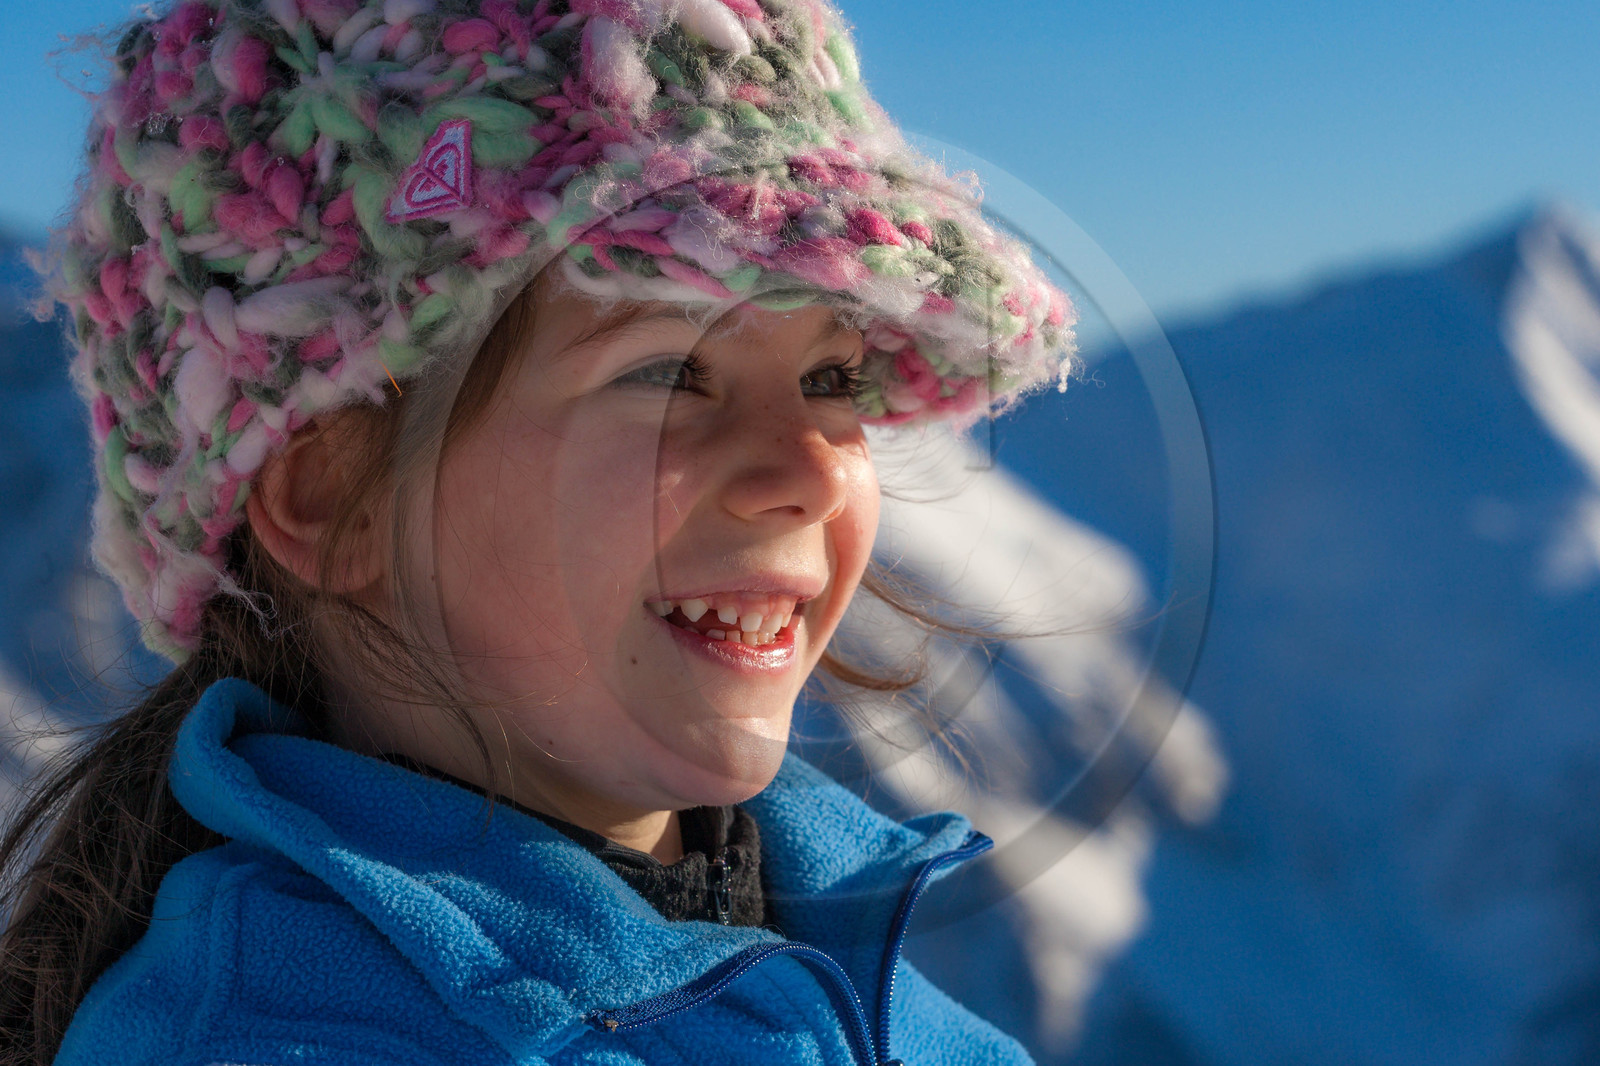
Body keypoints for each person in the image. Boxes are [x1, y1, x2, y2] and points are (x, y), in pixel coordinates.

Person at [0, 0, 1076, 1062]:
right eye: (669, 373)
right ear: (334, 499)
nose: (808, 471)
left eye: (830, 377)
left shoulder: (850, 966)